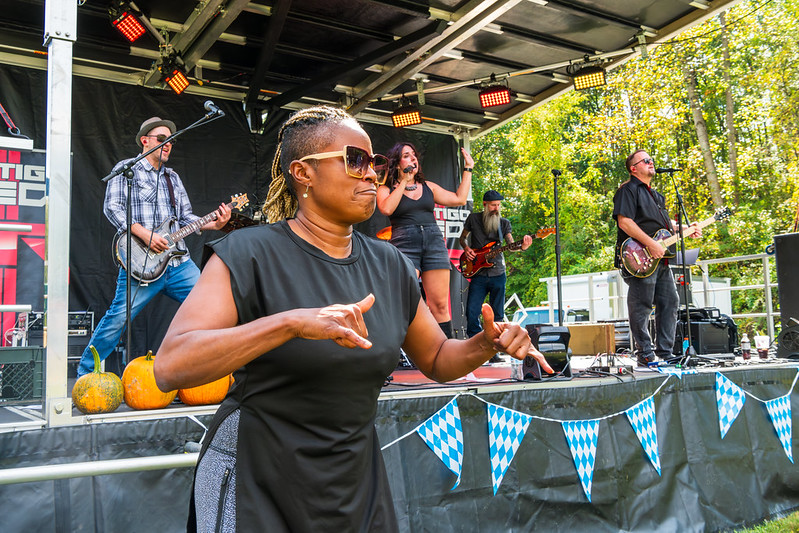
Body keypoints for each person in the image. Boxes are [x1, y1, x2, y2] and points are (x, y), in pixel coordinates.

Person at [153, 105, 537, 532]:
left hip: (354, 486)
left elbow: (437, 357)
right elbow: (171, 366)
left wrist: (487, 344)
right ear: (303, 173)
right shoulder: (249, 252)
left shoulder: (390, 264)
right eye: (354, 160)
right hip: (256, 481)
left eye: (375, 163)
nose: (372, 174)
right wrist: (289, 323)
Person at [76, 116, 231, 377]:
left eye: (171, 140)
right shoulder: (127, 169)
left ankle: (206, 372)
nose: (168, 144)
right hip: (141, 264)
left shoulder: (173, 178)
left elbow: (185, 218)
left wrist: (211, 224)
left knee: (213, 309)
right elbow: (112, 208)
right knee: (116, 320)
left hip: (178, 264)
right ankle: (86, 374)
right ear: (145, 141)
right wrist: (145, 234)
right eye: (162, 139)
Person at [613, 149, 701, 367]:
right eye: (646, 160)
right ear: (634, 168)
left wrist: (685, 229)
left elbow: (664, 226)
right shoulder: (628, 190)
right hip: (638, 257)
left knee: (670, 302)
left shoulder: (656, 196)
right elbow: (624, 222)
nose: (651, 163)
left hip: (660, 260)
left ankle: (666, 351)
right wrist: (651, 244)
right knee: (641, 305)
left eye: (651, 160)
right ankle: (644, 352)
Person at [376, 142, 473, 338]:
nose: (413, 158)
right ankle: (403, 348)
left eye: (414, 155)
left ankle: (447, 354)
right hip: (404, 243)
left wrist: (468, 168)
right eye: (406, 155)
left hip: (433, 242)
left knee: (439, 304)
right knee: (406, 300)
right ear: (396, 163)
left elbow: (459, 199)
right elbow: (386, 209)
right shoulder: (385, 189)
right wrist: (403, 181)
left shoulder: (428, 187)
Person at [459, 190, 533, 353]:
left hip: (498, 273)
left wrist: (523, 247)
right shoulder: (473, 219)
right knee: (472, 311)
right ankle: (476, 347)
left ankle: (494, 349)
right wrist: (466, 248)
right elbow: (462, 238)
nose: (496, 208)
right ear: (485, 204)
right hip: (478, 273)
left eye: (498, 205)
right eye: (493, 205)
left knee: (498, 314)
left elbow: (511, 245)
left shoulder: (504, 223)